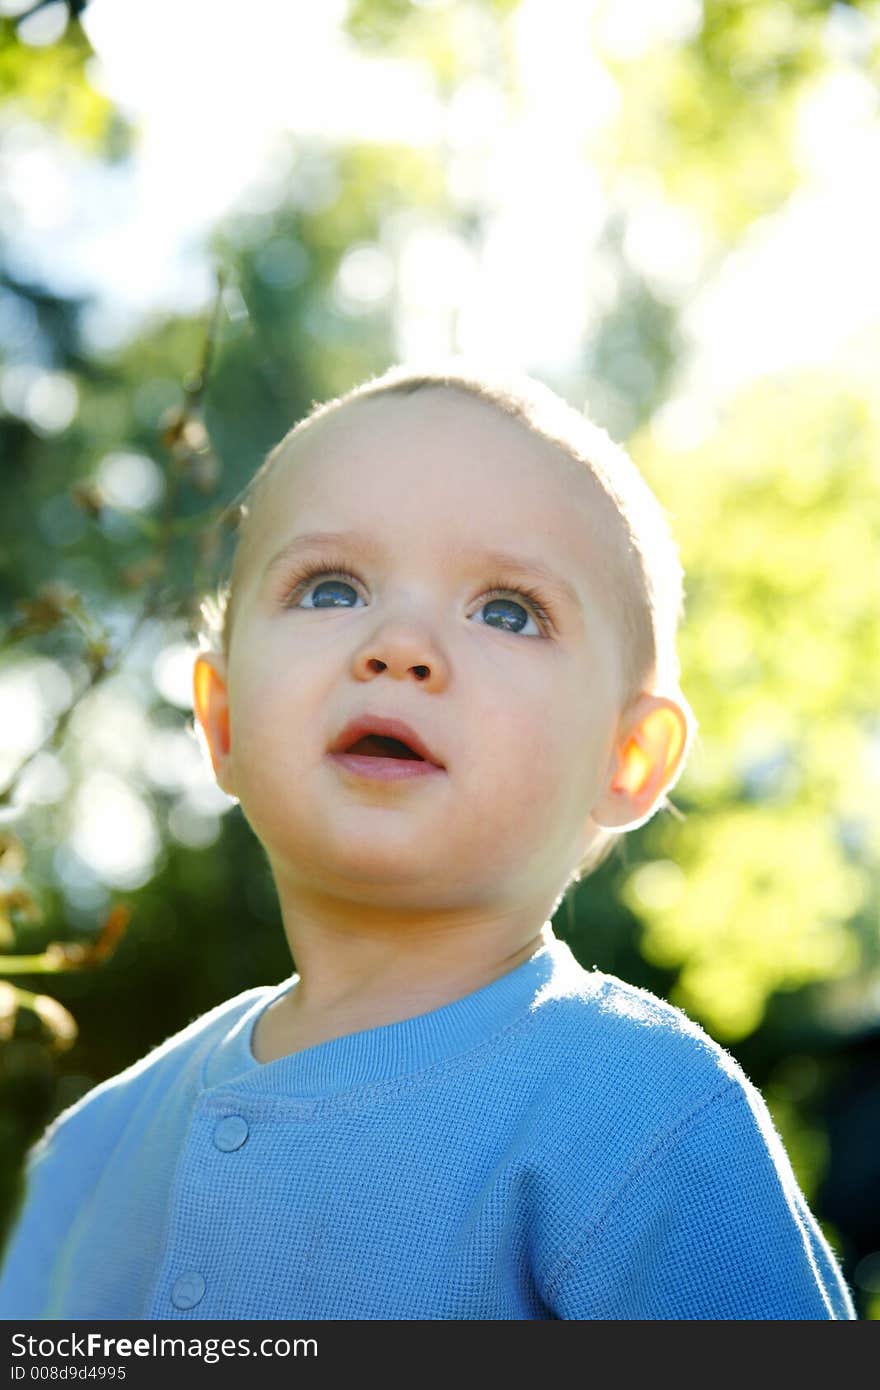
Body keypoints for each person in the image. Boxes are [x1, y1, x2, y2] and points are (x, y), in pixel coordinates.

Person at [0, 361, 857, 1320]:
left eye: (507, 611)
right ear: (226, 721)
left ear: (627, 758)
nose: (399, 645)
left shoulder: (640, 1114)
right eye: (330, 589)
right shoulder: (90, 1153)